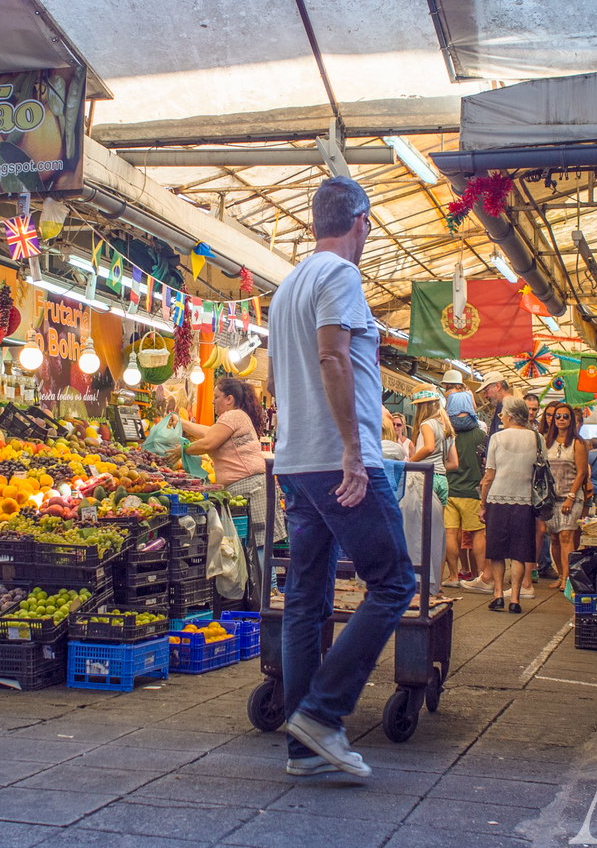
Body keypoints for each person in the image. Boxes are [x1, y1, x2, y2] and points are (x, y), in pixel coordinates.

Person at [267, 175, 417, 779]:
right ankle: (322, 713)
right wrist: (354, 451)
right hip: (338, 463)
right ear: (361, 222)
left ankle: (304, 747)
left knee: (306, 598)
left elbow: (276, 380)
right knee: (394, 582)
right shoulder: (340, 275)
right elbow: (332, 355)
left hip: (297, 463)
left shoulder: (287, 288)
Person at [176, 375, 283, 543]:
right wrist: (181, 423)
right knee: (253, 545)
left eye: (216, 397)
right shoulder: (236, 417)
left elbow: (209, 443)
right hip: (253, 486)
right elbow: (209, 433)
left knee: (256, 545)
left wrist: (183, 450)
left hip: (250, 488)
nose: (213, 402)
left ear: (229, 399)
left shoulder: (232, 415)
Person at [475, 396, 538, 613]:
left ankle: (498, 594)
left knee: (497, 550)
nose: (501, 417)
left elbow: (489, 475)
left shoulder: (497, 438)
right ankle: (515, 599)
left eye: (502, 413)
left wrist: (482, 504)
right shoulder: (537, 438)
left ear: (510, 416)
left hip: (498, 498)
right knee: (520, 552)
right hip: (525, 500)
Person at [543, 402, 589, 586]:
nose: (561, 419)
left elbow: (582, 472)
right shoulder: (547, 441)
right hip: (551, 497)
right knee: (554, 537)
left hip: (571, 496)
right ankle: (561, 575)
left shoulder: (578, 443)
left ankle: (568, 580)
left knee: (566, 536)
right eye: (558, 416)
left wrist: (571, 496)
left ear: (571, 420)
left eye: (565, 416)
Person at [447, 419, 491, 591]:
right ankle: (482, 575)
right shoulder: (480, 435)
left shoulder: (448, 434)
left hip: (450, 490)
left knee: (450, 533)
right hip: (472, 491)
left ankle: (453, 575)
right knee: (478, 533)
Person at [408, 388, 457, 507]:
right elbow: (454, 463)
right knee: (439, 518)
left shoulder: (427, 424)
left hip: (426, 478)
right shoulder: (447, 428)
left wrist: (411, 461)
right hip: (442, 480)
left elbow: (429, 447)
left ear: (422, 406)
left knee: (423, 516)